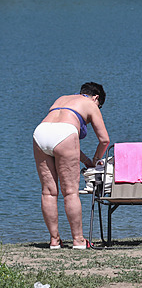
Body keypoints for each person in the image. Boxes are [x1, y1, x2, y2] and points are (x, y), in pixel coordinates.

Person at [33, 82, 110, 249]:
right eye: (100, 105)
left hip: (40, 132)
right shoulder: (90, 104)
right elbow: (104, 140)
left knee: (48, 192)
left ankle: (54, 241)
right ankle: (78, 240)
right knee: (70, 192)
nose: (98, 108)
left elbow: (60, 138)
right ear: (96, 97)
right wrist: (96, 160)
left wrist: (86, 160)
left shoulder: (62, 99)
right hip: (65, 134)